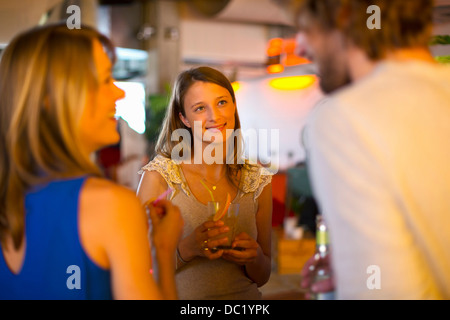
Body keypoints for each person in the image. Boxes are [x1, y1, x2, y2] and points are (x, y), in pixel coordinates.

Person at [0, 23, 183, 300]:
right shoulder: (112, 206)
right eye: (105, 80)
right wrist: (164, 250)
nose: (119, 93)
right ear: (54, 98)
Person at [296, 0, 450, 299]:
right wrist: (360, 261)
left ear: (342, 13)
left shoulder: (345, 119)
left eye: (303, 24)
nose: (300, 45)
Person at [137, 66, 273, 300]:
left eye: (222, 102)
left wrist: (255, 257)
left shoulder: (257, 180)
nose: (214, 116)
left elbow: (263, 276)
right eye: (200, 108)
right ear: (184, 119)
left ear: (233, 105)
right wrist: (187, 249)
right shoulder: (160, 177)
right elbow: (137, 269)